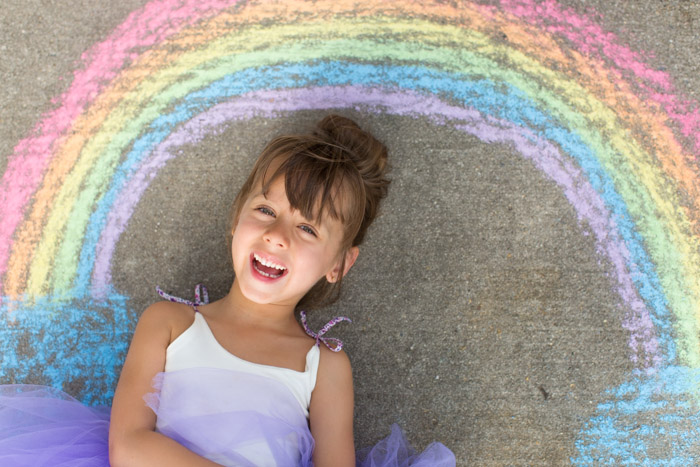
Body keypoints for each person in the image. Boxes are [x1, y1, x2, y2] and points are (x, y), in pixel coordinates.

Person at [0, 115, 455, 466]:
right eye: (265, 209)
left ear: (339, 264)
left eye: (307, 228)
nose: (277, 236)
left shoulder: (325, 367)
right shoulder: (169, 323)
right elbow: (130, 446)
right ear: (237, 216)